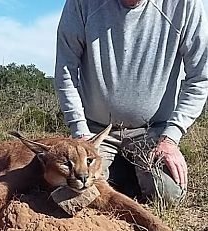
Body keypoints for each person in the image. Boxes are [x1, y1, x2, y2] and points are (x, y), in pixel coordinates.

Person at [54, 0, 208, 204]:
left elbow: (200, 77)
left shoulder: (185, 4)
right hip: (96, 132)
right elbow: (65, 72)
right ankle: (122, 170)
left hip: (152, 130)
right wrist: (81, 134)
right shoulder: (82, 4)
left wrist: (171, 138)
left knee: (168, 195)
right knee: (78, 196)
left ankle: (124, 171)